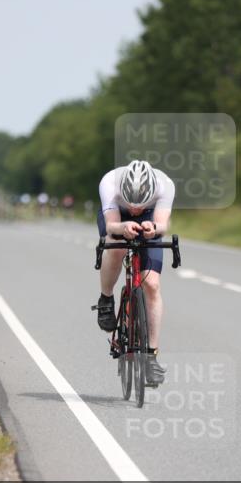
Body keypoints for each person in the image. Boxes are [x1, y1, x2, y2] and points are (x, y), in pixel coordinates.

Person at [94, 160, 175, 385]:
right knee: (117, 245)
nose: (135, 209)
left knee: (152, 285)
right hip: (116, 218)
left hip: (152, 216)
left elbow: (162, 225)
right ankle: (106, 298)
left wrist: (152, 228)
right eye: (132, 203)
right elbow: (111, 226)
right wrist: (123, 227)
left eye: (140, 204)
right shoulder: (109, 183)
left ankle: (151, 356)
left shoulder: (164, 184)